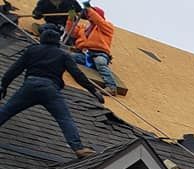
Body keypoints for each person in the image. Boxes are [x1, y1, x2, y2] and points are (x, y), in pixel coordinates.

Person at [0, 26, 102, 158]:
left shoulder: (32, 51)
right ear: (58, 42)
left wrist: (4, 86)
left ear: (42, 39)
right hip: (50, 89)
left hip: (30, 86)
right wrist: (94, 91)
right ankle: (79, 149)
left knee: (7, 110)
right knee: (64, 118)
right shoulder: (63, 55)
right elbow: (77, 75)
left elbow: (14, 70)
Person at [65, 5, 120, 95]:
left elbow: (98, 20)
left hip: (99, 54)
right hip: (85, 55)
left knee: (100, 62)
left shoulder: (106, 27)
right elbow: (70, 31)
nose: (88, 16)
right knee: (68, 56)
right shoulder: (84, 28)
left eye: (90, 14)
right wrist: (70, 18)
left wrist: (88, 9)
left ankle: (111, 87)